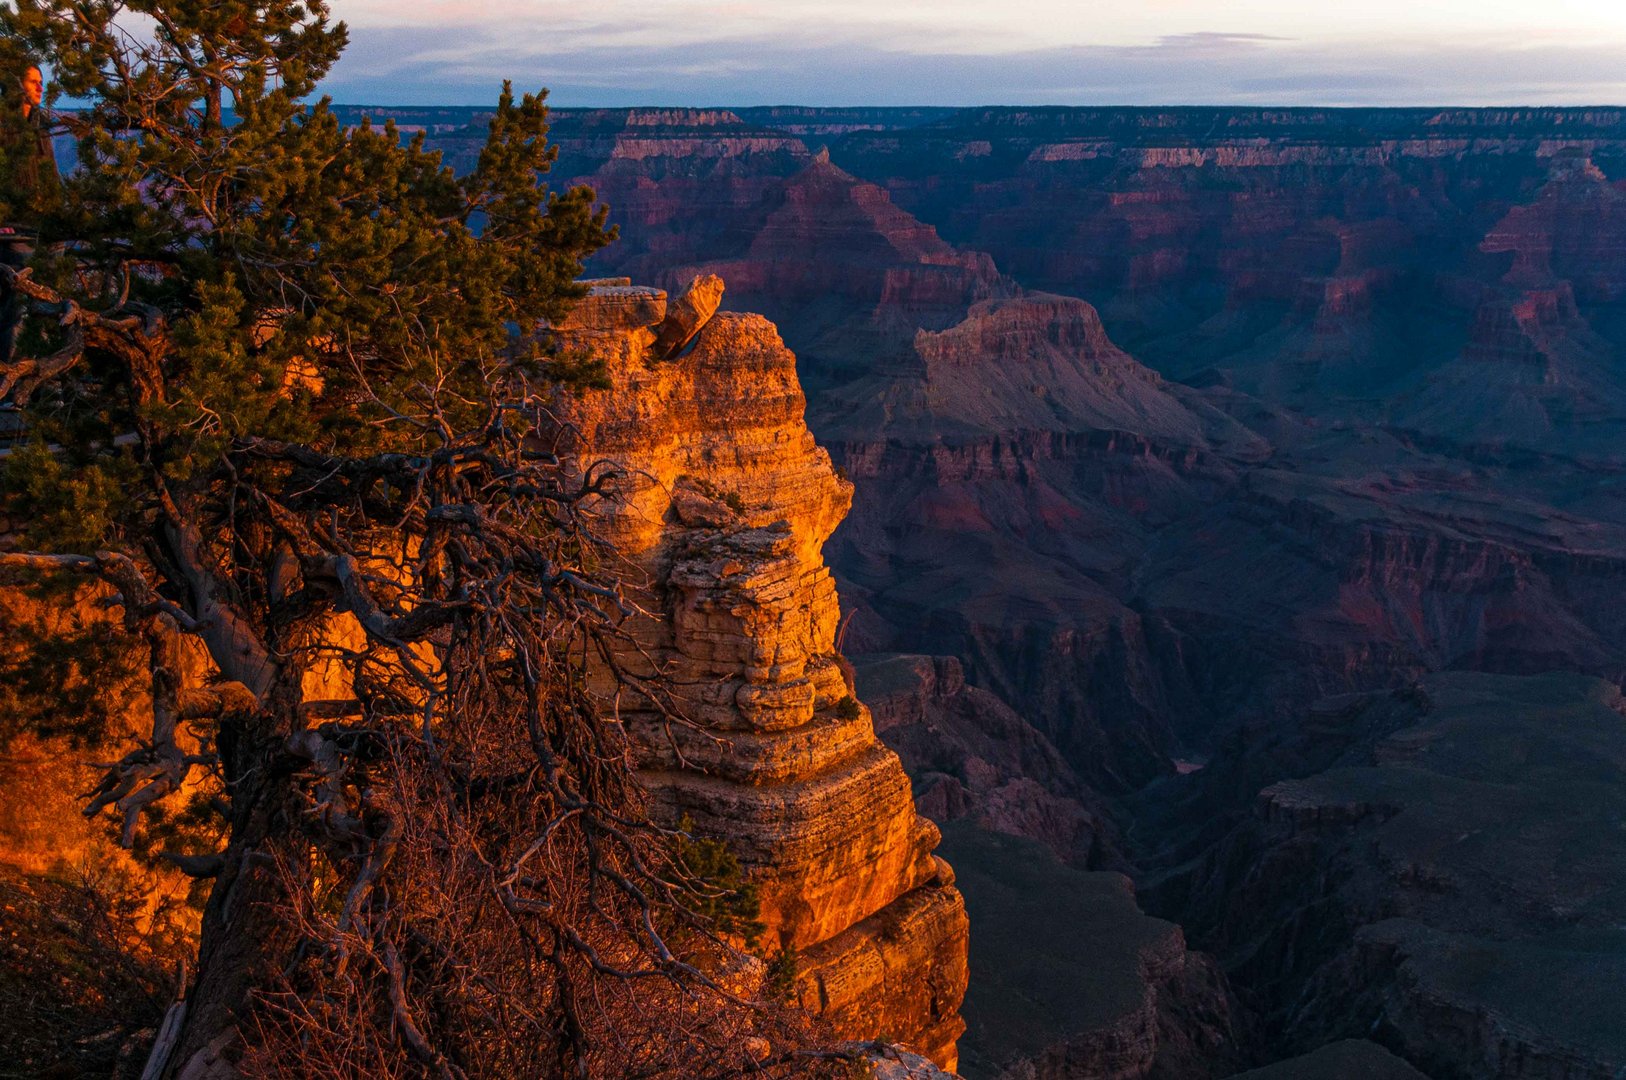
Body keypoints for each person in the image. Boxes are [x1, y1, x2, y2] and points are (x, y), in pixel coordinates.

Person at [1, 63, 61, 365]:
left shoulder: (40, 124)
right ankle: (9, 387)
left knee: (46, 307)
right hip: (10, 233)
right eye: (32, 81)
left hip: (41, 229)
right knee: (15, 312)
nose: (40, 87)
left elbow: (50, 177)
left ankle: (37, 383)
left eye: (42, 81)